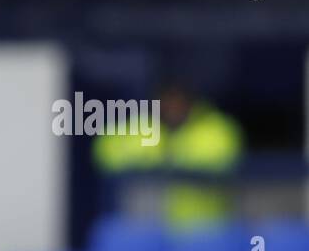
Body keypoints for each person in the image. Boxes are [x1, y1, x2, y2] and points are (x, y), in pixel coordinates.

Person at [93, 81, 243, 228]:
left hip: (201, 229)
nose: (172, 107)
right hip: (146, 228)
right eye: (167, 100)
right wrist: (144, 166)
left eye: (178, 101)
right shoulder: (140, 127)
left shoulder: (216, 129)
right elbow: (104, 150)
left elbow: (219, 163)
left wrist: (173, 166)